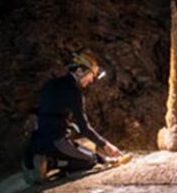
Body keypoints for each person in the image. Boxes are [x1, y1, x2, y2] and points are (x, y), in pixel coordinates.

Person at [23, 51, 123, 181]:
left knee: (88, 152)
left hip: (38, 138)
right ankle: (50, 163)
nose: (92, 80)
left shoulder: (51, 83)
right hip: (56, 139)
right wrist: (106, 145)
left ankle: (41, 158)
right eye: (91, 75)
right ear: (80, 71)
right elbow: (84, 127)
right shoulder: (74, 92)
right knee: (90, 160)